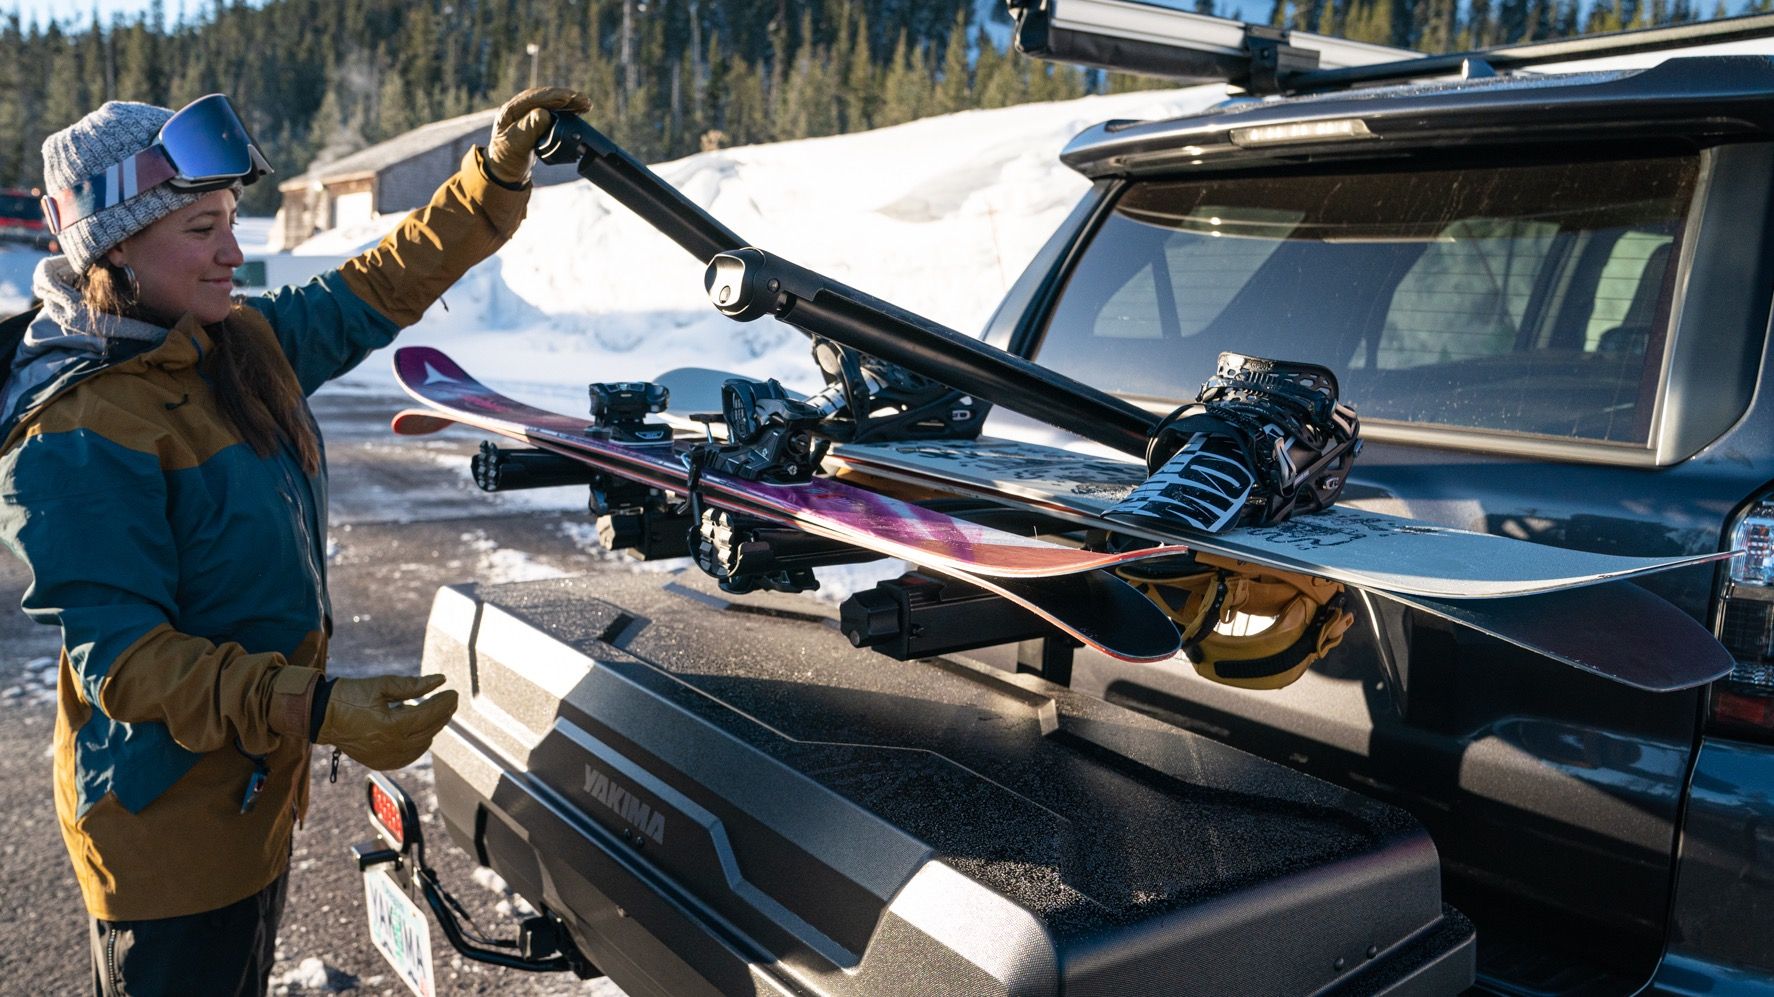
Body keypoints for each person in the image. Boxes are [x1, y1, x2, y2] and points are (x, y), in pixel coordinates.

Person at [0, 85, 589, 996]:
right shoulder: (76, 427)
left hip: (250, 806)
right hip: (165, 849)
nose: (235, 252)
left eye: (232, 219)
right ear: (113, 245)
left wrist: (492, 178)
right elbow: (128, 663)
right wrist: (314, 707)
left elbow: (375, 285)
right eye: (201, 229)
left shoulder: (230, 344)